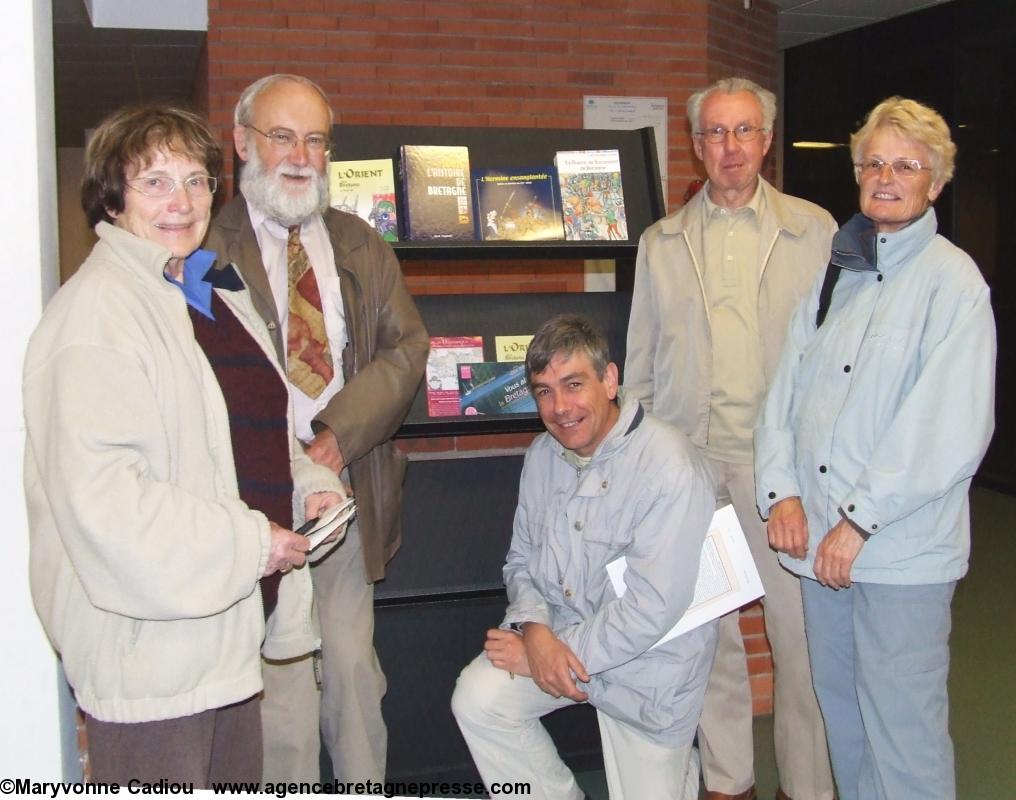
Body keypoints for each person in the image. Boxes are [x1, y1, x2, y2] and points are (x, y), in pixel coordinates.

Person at [23, 105, 347, 786]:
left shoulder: (198, 294)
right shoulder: (98, 316)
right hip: (151, 661)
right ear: (112, 197)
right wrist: (254, 543)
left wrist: (304, 481)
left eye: (196, 181)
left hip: (223, 644)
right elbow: (110, 508)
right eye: (156, 183)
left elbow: (234, 437)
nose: (183, 202)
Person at [755, 96, 996, 800]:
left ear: (936, 182)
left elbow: (946, 428)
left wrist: (857, 521)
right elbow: (786, 390)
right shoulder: (841, 271)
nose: (886, 177)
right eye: (874, 163)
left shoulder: (954, 286)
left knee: (903, 733)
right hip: (823, 547)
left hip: (898, 556)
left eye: (907, 166)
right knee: (845, 720)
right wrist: (783, 492)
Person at [205, 73, 429, 782]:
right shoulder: (206, 247)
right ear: (241, 142)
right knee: (283, 696)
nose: (300, 155)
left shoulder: (359, 243)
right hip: (254, 505)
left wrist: (336, 435)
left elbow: (408, 347)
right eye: (281, 136)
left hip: (344, 494)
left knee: (357, 678)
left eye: (315, 140)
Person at [625, 77, 836, 800]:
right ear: (696, 144)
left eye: (744, 131)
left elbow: (840, 359)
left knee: (798, 643)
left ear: (767, 140)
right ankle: (728, 781)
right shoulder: (661, 243)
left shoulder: (816, 232)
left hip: (784, 477)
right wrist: (639, 470)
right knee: (709, 636)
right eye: (715, 133)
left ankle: (807, 787)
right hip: (691, 471)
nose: (730, 148)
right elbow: (642, 367)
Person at [452, 314, 718, 800]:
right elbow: (521, 562)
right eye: (544, 391)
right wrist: (533, 632)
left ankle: (677, 774)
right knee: (478, 699)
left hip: (648, 676)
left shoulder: (670, 465)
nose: (560, 408)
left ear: (610, 379)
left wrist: (551, 656)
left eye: (573, 384)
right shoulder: (541, 456)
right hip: (557, 644)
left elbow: (650, 610)